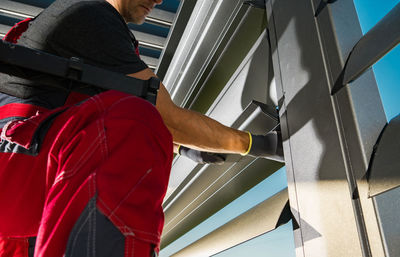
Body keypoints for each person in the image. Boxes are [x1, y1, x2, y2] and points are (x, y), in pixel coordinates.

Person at [0, 0, 283, 256]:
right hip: (22, 177)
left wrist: (182, 146)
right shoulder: (90, 16)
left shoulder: (89, 27)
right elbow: (167, 118)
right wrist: (259, 144)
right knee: (135, 119)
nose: (159, 0)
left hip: (21, 212)